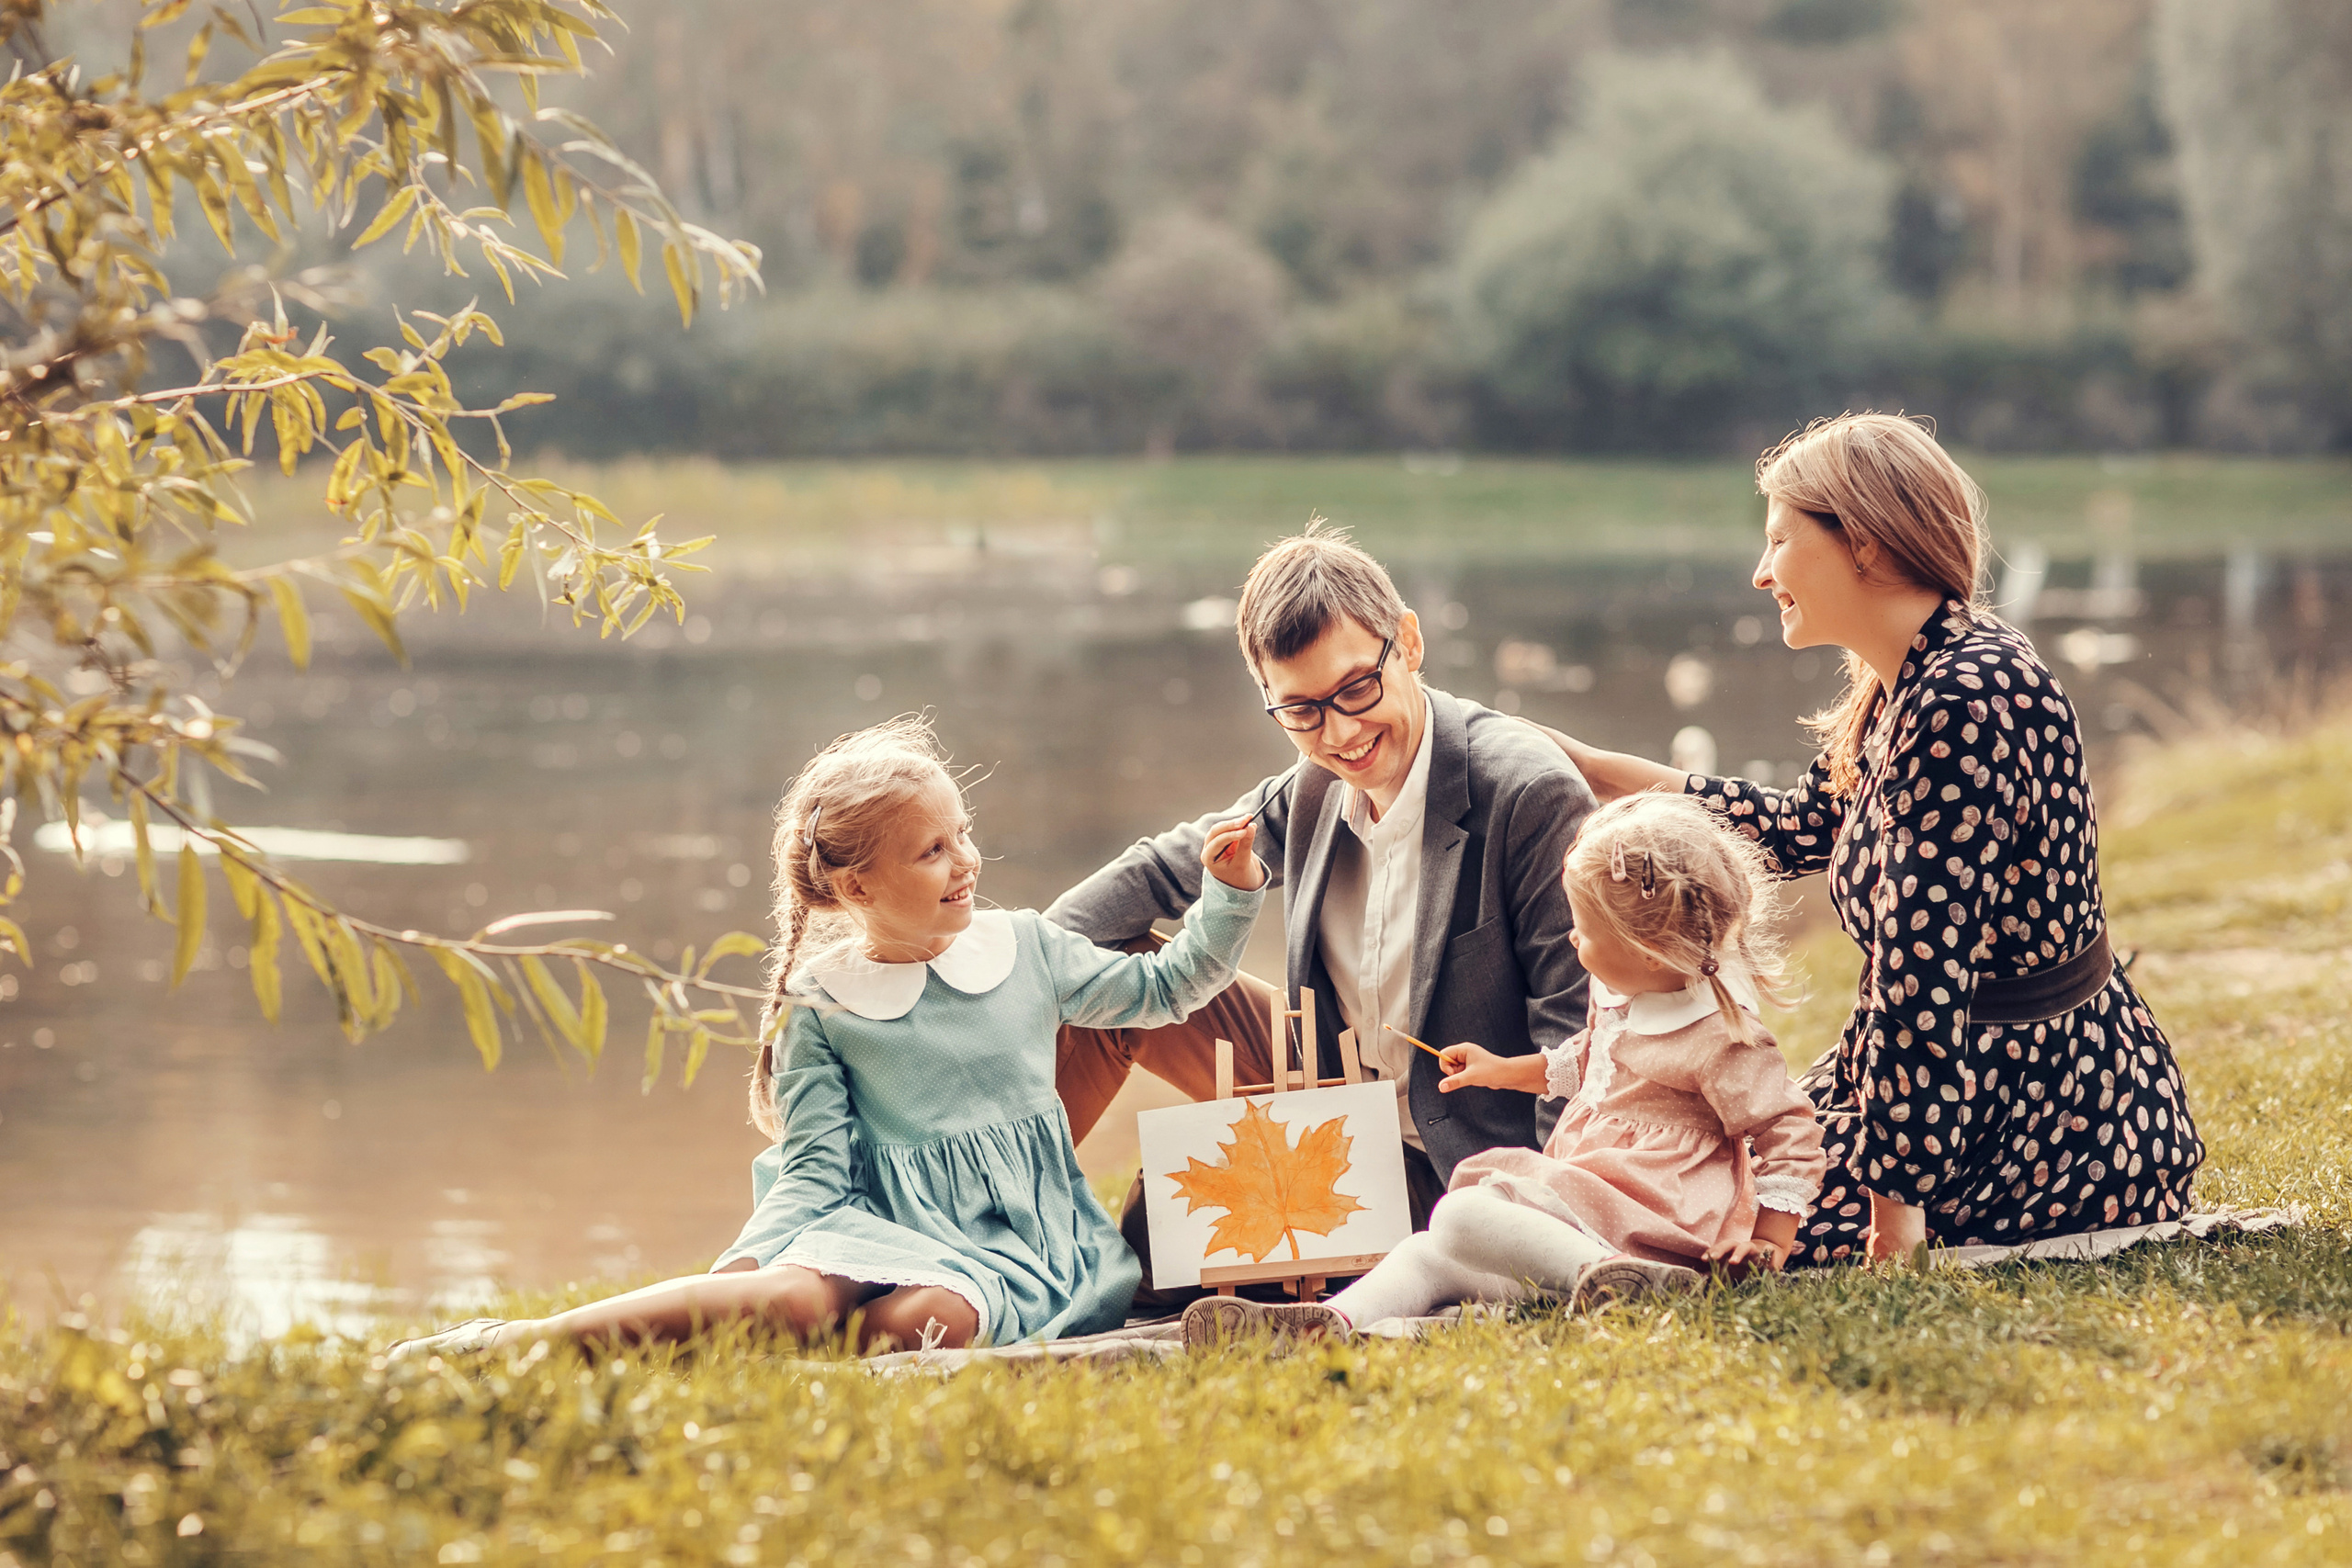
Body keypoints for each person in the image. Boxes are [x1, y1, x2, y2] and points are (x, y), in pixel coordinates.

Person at [1531, 412, 2203, 1264]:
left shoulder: (1963, 701)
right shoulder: (1909, 681)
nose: (1761, 571)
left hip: (2040, 1111)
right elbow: (1797, 828)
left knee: (1718, 1215)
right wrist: (1596, 767)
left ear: (1865, 544)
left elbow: (1922, 984)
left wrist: (1895, 1223)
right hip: (1968, 1083)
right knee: (1698, 1167)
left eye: (1780, 540)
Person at [390, 716, 1268, 1360]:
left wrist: (1229, 894)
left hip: (1015, 1242)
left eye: (962, 834)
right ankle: (517, 1343)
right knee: (792, 1297)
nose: (965, 861)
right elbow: (813, 1167)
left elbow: (1169, 987)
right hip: (873, 1222)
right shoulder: (820, 1005)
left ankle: (753, 1343)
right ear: (856, 888)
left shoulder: (1027, 947)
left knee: (934, 1321)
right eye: (932, 850)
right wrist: (749, 1261)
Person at [1046, 522, 1598, 1259]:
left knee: (1154, 1236)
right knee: (1105, 963)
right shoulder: (1309, 787)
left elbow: (1580, 1040)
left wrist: (1540, 1234)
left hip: (1451, 1163)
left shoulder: (1528, 794)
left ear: (1408, 642)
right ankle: (990, 1222)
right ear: (1269, 695)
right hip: (1329, 1079)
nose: (1339, 734)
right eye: (1302, 710)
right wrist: (1004, 967)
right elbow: (1155, 873)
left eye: (1356, 688)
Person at [1185, 792, 1827, 1343]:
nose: (1573, 939)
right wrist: (1500, 1069)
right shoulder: (1625, 993)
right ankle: (1331, 1323)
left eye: (1584, 931)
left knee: (1461, 1214)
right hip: (1591, 1206)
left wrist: (1770, 1241)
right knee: (1430, 1252)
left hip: (1655, 1221)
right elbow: (1591, 1066)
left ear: (1650, 952)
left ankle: (1624, 1282)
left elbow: (1791, 1134)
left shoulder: (1722, 1037)